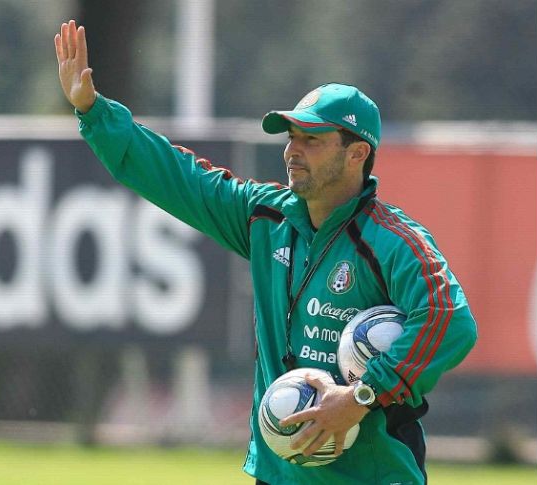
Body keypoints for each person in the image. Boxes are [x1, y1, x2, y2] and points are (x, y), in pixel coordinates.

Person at [55, 19, 477, 485]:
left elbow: (450, 320)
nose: (293, 152)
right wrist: (93, 112)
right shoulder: (266, 218)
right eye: (291, 138)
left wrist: (360, 397)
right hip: (279, 474)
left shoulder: (394, 241)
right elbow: (178, 177)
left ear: (358, 153)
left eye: (312, 141)